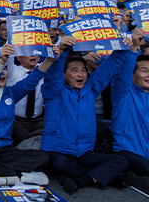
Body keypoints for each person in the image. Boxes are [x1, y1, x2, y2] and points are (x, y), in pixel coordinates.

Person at [42, 36, 129, 193]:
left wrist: (122, 49)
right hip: (58, 151)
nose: (80, 74)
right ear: (64, 75)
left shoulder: (92, 89)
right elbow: (53, 74)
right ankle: (103, 176)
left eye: (83, 70)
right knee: (59, 164)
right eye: (74, 70)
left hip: (84, 152)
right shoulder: (53, 92)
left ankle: (85, 179)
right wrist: (61, 50)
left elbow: (108, 68)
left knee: (121, 161)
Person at [0, 46, 53, 184]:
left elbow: (32, 79)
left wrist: (49, 60)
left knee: (44, 157)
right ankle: (20, 175)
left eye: (5, 69)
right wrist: (2, 60)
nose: (2, 72)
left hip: (6, 150)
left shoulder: (12, 93)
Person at [108, 29, 149, 193]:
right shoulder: (123, 93)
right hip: (126, 151)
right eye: (144, 70)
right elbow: (122, 76)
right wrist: (134, 48)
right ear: (133, 74)